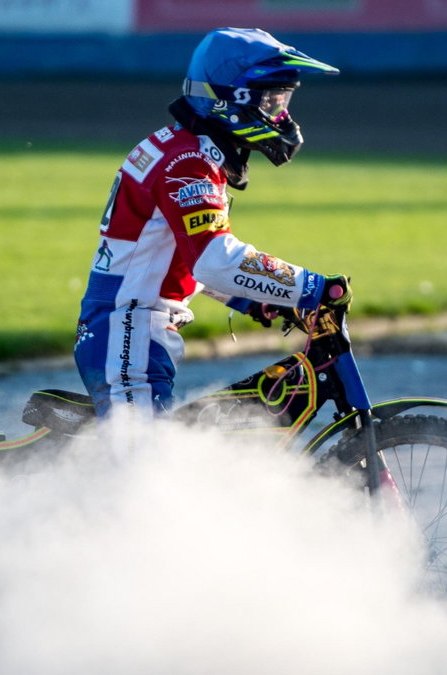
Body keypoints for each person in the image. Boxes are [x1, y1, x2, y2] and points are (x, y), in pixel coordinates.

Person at [74, 27, 351, 419]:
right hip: (128, 333)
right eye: (273, 101)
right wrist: (314, 288)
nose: (281, 115)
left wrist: (254, 299)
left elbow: (176, 258)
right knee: (146, 476)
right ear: (234, 100)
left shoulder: (184, 148)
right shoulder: (187, 163)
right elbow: (213, 258)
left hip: (132, 327)